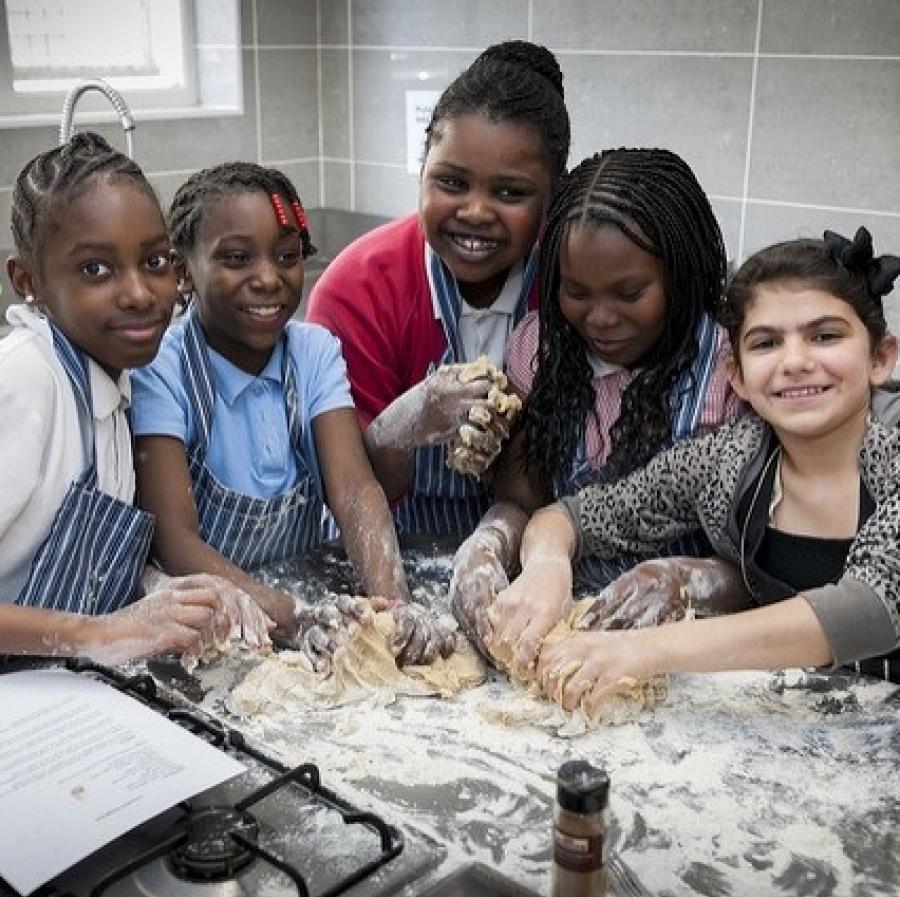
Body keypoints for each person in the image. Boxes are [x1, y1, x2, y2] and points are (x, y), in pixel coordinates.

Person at [491, 226, 900, 709]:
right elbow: (575, 516)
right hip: (791, 729)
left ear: (880, 358)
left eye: (824, 336)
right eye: (766, 343)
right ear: (738, 377)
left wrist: (643, 652)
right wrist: (547, 568)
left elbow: (868, 609)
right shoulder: (728, 462)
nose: (795, 361)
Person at [130, 162, 453, 666]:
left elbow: (354, 492)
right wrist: (292, 617)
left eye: (287, 257)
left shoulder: (313, 352)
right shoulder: (163, 371)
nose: (268, 279)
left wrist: (394, 607)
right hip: (215, 630)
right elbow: (174, 539)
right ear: (182, 272)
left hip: (306, 594)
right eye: (237, 258)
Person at [450, 149, 747, 654]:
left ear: (680, 275)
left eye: (629, 293)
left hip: (685, 650)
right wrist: (490, 545)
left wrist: (680, 581)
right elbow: (523, 496)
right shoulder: (540, 348)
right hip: (558, 627)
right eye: (577, 292)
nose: (600, 317)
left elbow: (760, 565)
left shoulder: (728, 369)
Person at [0, 131, 264, 663]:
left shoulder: (115, 381)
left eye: (155, 262)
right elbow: (90, 625)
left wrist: (160, 589)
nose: (141, 294)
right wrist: (98, 635)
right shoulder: (27, 382)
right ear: (28, 281)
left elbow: (74, 563)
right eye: (96, 269)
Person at [306, 40, 570, 536]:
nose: (474, 212)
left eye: (510, 192)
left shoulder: (573, 291)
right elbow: (346, 490)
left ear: (555, 195)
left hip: (537, 554)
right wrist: (403, 424)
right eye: (450, 183)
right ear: (423, 170)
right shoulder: (357, 291)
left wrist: (501, 538)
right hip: (388, 553)